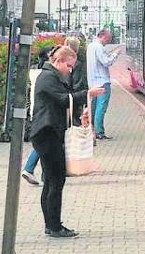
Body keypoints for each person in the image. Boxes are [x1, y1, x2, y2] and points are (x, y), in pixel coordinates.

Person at [29, 45, 104, 238]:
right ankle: (54, 226)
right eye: (69, 66)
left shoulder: (51, 76)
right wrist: (89, 94)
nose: (70, 69)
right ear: (59, 61)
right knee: (56, 179)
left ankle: (51, 224)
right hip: (47, 133)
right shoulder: (48, 78)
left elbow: (65, 99)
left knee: (51, 180)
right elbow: (63, 99)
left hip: (48, 132)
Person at [22, 46, 53, 186]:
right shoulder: (46, 75)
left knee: (43, 142)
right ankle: (30, 169)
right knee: (44, 143)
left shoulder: (34, 73)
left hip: (35, 111)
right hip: (44, 112)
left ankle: (38, 172)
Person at [86, 29, 121, 140]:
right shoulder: (99, 47)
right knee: (101, 107)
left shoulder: (90, 46)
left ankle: (91, 129)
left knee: (94, 106)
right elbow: (106, 62)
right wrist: (115, 54)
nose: (109, 41)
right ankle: (99, 132)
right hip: (102, 81)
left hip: (92, 82)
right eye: (108, 39)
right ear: (103, 36)